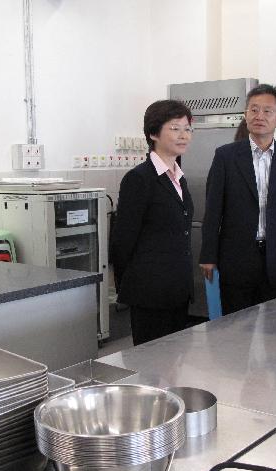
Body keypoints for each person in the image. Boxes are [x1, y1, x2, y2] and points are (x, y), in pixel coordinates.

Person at [199, 84, 276, 315]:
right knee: (235, 329)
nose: (259, 116)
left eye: (267, 111)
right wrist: (208, 255)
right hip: (236, 258)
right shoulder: (226, 156)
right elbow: (213, 210)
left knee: (275, 329)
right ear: (245, 114)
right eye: (254, 109)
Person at [111, 100, 195, 346]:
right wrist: (131, 287)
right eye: (175, 128)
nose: (183, 135)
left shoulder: (179, 177)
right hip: (149, 291)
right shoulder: (139, 179)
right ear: (153, 133)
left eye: (188, 129)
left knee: (174, 359)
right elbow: (122, 240)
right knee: (151, 365)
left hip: (177, 288)